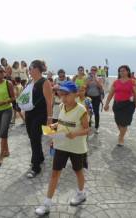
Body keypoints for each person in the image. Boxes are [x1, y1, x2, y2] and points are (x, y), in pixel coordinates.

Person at [35, 81, 89, 216]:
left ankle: (81, 193)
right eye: (62, 95)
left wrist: (75, 133)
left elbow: (88, 129)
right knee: (54, 173)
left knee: (78, 171)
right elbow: (59, 124)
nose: (64, 98)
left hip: (77, 147)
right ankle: (47, 203)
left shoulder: (81, 110)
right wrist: (53, 137)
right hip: (61, 146)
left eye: (67, 95)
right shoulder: (60, 106)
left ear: (75, 94)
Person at [25, 60, 53, 178]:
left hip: (40, 115)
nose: (29, 70)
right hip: (29, 114)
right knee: (32, 137)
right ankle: (40, 157)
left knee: (35, 139)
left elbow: (49, 101)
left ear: (37, 69)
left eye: (30, 67)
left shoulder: (45, 82)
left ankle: (36, 167)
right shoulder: (30, 82)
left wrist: (49, 118)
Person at [104, 65, 136, 147]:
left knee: (124, 122)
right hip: (117, 104)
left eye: (123, 70)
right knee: (118, 121)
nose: (122, 72)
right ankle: (122, 132)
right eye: (120, 71)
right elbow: (111, 94)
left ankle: (121, 137)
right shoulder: (116, 82)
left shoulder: (132, 81)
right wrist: (107, 104)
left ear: (128, 71)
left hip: (128, 105)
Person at [86, 66, 104, 133]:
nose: (93, 71)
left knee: (96, 112)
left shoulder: (99, 78)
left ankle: (96, 127)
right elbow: (86, 85)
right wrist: (89, 80)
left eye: (94, 70)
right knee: (89, 112)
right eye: (92, 70)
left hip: (96, 97)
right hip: (89, 97)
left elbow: (100, 86)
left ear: (96, 71)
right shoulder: (88, 78)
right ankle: (89, 126)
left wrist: (95, 79)